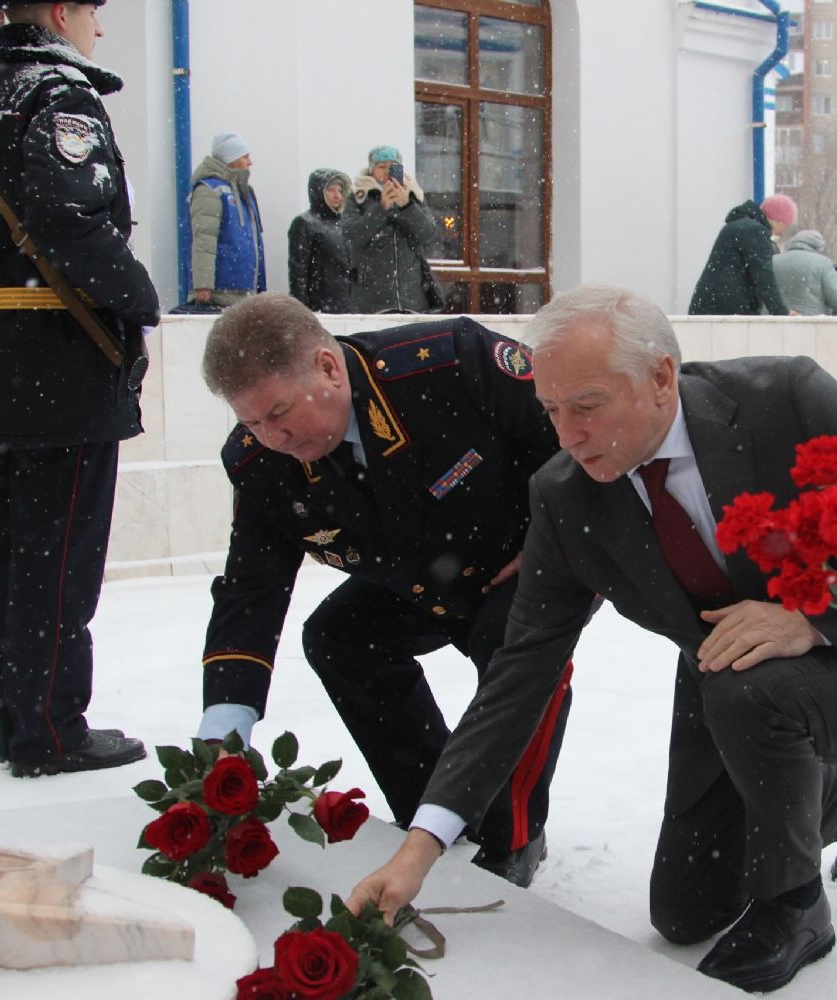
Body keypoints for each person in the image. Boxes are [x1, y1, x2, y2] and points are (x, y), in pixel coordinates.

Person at [347, 284, 837, 994]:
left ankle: (796, 905)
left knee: (753, 690)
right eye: (550, 411)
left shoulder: (786, 400)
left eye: (585, 406)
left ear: (659, 377)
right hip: (724, 679)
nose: (566, 435)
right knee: (683, 910)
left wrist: (812, 618)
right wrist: (420, 848)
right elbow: (519, 673)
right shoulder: (565, 495)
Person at [197, 293, 571, 887]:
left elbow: (572, 437)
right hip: (421, 575)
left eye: (279, 412)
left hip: (520, 559)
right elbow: (250, 590)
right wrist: (221, 734)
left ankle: (511, 833)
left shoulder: (450, 361)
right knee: (337, 637)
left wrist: (554, 540)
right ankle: (433, 809)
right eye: (251, 422)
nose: (272, 437)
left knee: (513, 646)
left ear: (326, 366)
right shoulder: (260, 462)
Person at [0, 0, 155, 776]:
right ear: (63, 12)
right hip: (60, 347)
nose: (101, 25)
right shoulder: (59, 96)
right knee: (61, 552)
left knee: (22, 549)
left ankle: (23, 720)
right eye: (94, 10)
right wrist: (139, 300)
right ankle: (52, 731)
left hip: (5, 340)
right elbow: (71, 221)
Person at [344, 145, 445, 314]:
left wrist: (407, 206)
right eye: (381, 166)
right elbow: (352, 235)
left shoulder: (413, 194)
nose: (386, 172)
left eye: (392, 167)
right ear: (371, 170)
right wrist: (381, 207)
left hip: (412, 299)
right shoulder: (358, 196)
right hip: (372, 300)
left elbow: (429, 234)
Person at [188, 132, 266, 308]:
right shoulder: (210, 190)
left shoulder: (244, 192)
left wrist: (260, 288)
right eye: (245, 156)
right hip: (219, 294)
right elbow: (204, 239)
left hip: (245, 292)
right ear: (231, 158)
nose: (250, 162)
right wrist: (203, 286)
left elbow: (255, 243)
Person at [688, 194, 795, 316]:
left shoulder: (739, 225)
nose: (784, 230)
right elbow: (764, 277)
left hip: (710, 305)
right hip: (727, 310)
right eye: (786, 225)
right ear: (779, 221)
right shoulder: (755, 231)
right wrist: (781, 312)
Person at [287, 168, 352, 313]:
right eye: (330, 190)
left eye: (340, 190)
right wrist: (301, 309)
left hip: (348, 307)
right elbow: (298, 271)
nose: (337, 195)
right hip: (320, 307)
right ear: (318, 191)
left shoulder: (346, 224)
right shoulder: (304, 223)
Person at [771, 229, 837, 317]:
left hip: (773, 325)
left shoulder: (773, 261)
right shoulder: (822, 263)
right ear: (818, 246)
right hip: (810, 326)